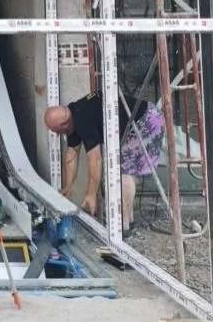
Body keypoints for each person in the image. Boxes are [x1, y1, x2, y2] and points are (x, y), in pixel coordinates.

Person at [44, 90, 165, 237]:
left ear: (64, 124)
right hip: (137, 120)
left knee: (123, 172)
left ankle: (123, 227)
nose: (56, 134)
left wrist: (91, 195)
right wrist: (68, 186)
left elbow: (95, 159)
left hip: (145, 120)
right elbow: (72, 152)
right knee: (122, 169)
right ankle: (129, 220)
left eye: (55, 130)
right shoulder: (72, 116)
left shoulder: (82, 119)